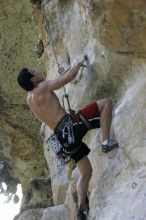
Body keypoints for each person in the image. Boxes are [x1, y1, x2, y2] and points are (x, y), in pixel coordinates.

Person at [17, 57, 118, 220]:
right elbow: (67, 79)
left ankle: (81, 210)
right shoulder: (42, 87)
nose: (37, 69)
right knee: (106, 103)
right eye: (33, 70)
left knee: (86, 173)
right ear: (33, 79)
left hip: (62, 139)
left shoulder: (30, 99)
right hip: (70, 126)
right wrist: (77, 64)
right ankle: (106, 141)